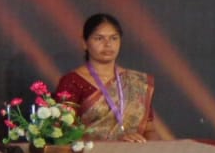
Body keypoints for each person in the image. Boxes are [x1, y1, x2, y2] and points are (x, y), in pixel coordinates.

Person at [55, 12, 159, 142]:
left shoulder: (137, 82)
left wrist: (147, 146)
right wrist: (114, 143)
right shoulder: (72, 81)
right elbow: (64, 132)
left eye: (114, 38)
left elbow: (150, 130)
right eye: (99, 38)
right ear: (84, 43)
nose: (108, 44)